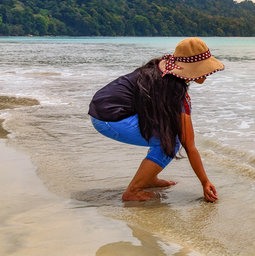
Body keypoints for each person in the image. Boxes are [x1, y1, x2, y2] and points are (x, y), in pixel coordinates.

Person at [88, 37, 224, 202]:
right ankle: (134, 191)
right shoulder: (172, 90)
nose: (208, 72)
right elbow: (189, 144)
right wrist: (205, 181)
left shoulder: (165, 70)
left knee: (165, 132)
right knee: (170, 141)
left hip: (106, 108)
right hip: (108, 118)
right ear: (191, 69)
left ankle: (149, 178)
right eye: (204, 67)